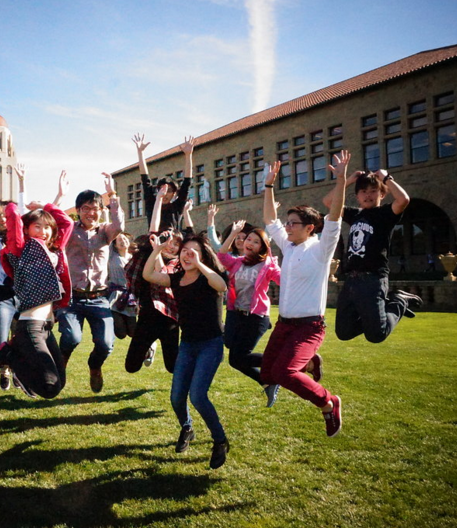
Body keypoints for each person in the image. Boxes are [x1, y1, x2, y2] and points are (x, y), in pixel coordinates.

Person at [261, 152, 349, 438]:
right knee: (268, 373)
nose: (286, 227)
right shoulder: (289, 246)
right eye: (287, 223)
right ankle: (310, 362)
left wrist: (341, 180)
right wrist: (269, 185)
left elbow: (335, 216)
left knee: (285, 373)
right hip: (285, 324)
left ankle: (328, 402)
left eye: (292, 223)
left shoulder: (321, 249)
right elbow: (269, 219)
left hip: (309, 325)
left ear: (309, 228)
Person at [0, 168, 68, 411]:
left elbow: (65, 223)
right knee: (49, 388)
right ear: (26, 228)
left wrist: (51, 201)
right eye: (37, 226)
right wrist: (15, 200)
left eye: (47, 228)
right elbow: (12, 217)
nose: (43, 231)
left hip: (47, 326)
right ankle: (6, 355)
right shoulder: (22, 250)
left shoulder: (54, 250)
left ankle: (17, 368)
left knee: (59, 383)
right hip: (30, 323)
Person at [143, 234, 230, 469]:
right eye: (184, 251)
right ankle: (187, 428)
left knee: (198, 396)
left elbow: (221, 286)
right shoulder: (177, 278)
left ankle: (220, 440)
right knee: (176, 397)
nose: (187, 254)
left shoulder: (209, 277)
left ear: (203, 255)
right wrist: (158, 250)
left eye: (193, 251)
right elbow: (148, 275)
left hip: (210, 344)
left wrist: (199, 263)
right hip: (188, 345)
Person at [322, 169, 421, 343]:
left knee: (376, 335)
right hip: (351, 280)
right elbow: (329, 201)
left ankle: (398, 301)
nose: (368, 195)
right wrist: (348, 180)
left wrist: (385, 178)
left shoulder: (385, 214)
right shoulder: (355, 215)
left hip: (373, 279)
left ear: (382, 194)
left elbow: (403, 200)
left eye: (373, 190)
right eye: (363, 191)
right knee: (344, 332)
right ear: (357, 196)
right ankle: (376, 316)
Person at [57, 174, 124, 393]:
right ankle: (61, 364)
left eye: (95, 208)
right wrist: (60, 194)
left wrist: (112, 194)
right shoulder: (69, 230)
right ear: (78, 210)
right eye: (86, 208)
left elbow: (119, 223)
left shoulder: (105, 232)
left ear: (101, 210)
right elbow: (52, 219)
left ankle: (95, 367)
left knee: (106, 344)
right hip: (72, 298)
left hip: (99, 298)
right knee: (71, 337)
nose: (91, 212)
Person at [217, 221, 282, 406]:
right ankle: (268, 382)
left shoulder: (267, 266)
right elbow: (221, 255)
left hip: (255, 317)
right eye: (248, 239)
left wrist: (275, 263)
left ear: (262, 247)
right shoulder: (237, 262)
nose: (249, 243)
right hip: (235, 313)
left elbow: (282, 280)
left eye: (255, 242)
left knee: (237, 360)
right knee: (231, 347)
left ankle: (279, 364)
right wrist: (234, 232)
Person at [124, 186, 182, 373]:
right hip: (148, 316)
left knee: (173, 367)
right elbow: (153, 230)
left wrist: (157, 250)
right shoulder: (150, 253)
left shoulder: (179, 265)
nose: (170, 247)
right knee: (131, 367)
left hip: (170, 318)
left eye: (176, 245)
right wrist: (158, 200)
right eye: (168, 242)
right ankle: (149, 349)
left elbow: (162, 273)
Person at [133, 133, 195, 231]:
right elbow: (145, 180)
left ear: (174, 193)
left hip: (173, 243)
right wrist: (140, 153)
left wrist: (188, 155)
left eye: (169, 190)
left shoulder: (177, 206)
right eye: (162, 189)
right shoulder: (152, 204)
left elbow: (187, 182)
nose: (165, 193)